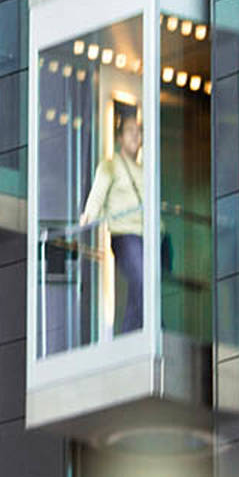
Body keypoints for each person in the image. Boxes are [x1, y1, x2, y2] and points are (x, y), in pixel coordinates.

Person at [80, 113, 145, 334]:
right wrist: (88, 215)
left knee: (144, 285)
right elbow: (98, 193)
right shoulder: (111, 165)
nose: (135, 136)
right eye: (130, 131)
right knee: (141, 280)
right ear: (119, 138)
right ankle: (132, 333)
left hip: (146, 236)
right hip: (125, 234)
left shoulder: (145, 171)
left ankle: (142, 330)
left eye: (138, 132)